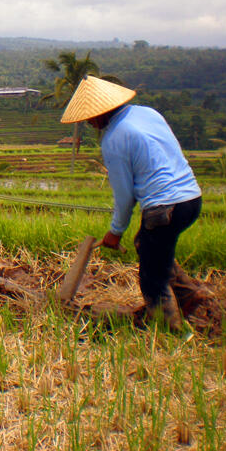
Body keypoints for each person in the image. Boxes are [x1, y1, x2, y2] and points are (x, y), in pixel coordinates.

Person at [60, 76, 202, 329]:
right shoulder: (148, 113)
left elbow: (125, 198)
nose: (91, 123)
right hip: (191, 198)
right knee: (151, 247)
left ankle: (172, 333)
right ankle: (192, 301)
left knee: (152, 279)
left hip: (164, 208)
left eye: (91, 118)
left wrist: (115, 232)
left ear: (102, 112)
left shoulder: (114, 138)